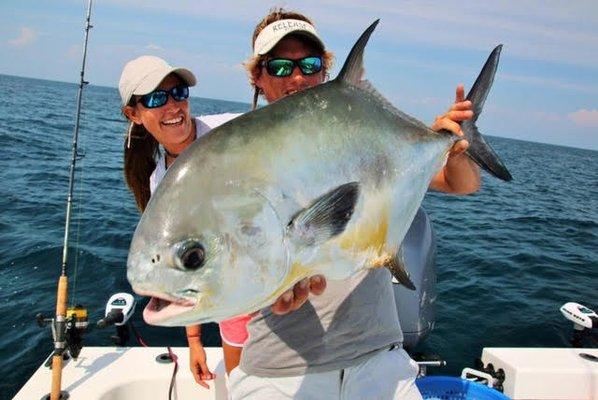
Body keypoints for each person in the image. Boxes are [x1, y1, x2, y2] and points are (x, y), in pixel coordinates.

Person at [216, 8, 481, 400]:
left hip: (378, 359)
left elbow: (462, 185)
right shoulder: (239, 160)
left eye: (309, 64)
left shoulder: (362, 137)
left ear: (325, 69)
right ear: (258, 75)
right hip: (281, 367)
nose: (299, 77)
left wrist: (453, 149)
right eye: (280, 67)